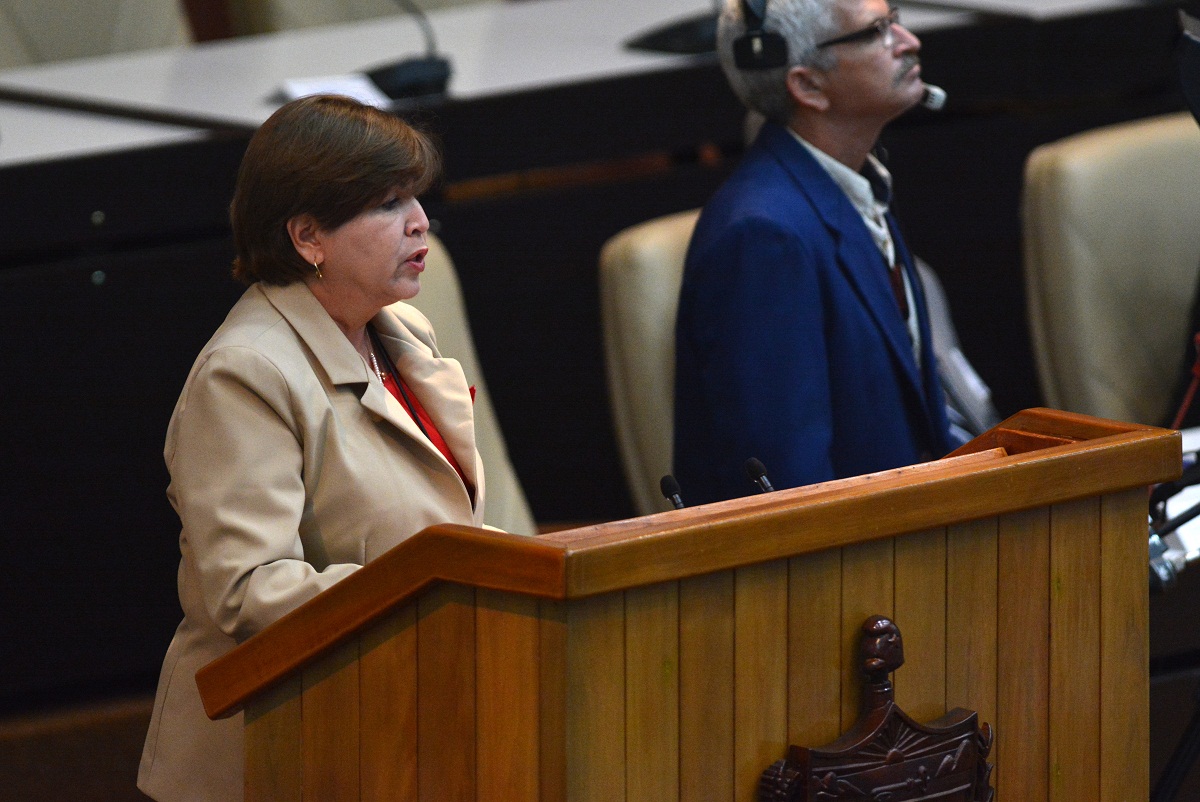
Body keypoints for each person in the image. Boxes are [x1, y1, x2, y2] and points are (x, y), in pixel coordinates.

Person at [137, 95, 489, 801]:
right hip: (281, 751)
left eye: (414, 197)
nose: (420, 221)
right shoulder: (244, 374)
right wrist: (440, 592)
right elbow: (250, 589)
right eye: (388, 204)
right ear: (307, 236)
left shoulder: (400, 331)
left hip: (393, 722)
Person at [673, 0, 961, 504]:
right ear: (807, 86)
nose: (909, 41)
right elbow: (788, 488)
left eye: (896, 20)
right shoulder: (763, 238)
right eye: (877, 31)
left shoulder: (853, 186)